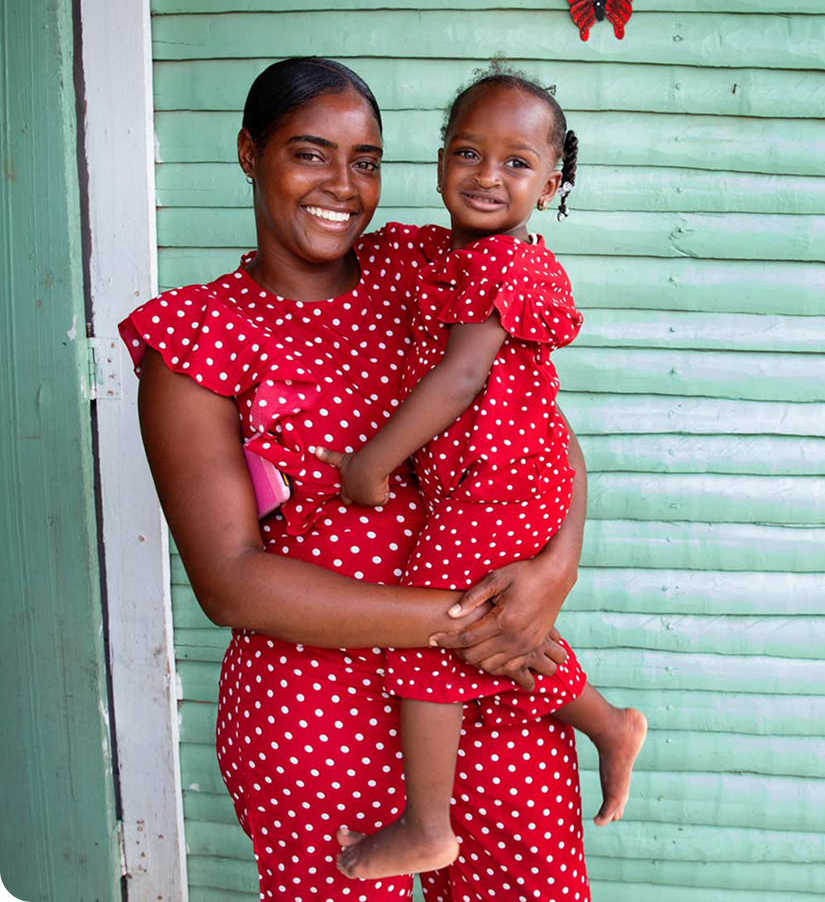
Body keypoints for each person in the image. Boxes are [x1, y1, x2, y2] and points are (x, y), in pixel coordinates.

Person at [119, 58, 593, 902]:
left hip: (481, 690)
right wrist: (471, 619)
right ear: (248, 152)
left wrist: (554, 573)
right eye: (309, 153)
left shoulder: (425, 269)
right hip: (315, 707)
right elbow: (230, 582)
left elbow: (538, 430)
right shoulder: (197, 337)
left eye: (365, 160)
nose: (342, 185)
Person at [317, 65, 647, 882]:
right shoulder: (435, 254)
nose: (488, 176)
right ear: (437, 161)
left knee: (445, 620)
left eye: (516, 162)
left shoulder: (510, 267)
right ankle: (605, 722)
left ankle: (427, 825)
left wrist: (370, 467)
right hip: (493, 483)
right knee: (491, 621)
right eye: (468, 152)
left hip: (505, 484)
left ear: (553, 178)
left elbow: (462, 379)